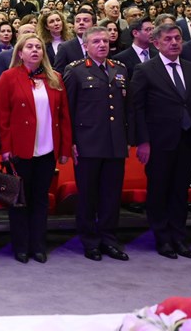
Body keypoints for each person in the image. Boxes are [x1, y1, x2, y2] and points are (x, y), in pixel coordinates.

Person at [131, 22, 191, 260]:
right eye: (168, 39)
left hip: (188, 140)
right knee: (159, 190)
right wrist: (142, 142)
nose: (175, 42)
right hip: (158, 142)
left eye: (177, 38)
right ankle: (162, 238)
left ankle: (178, 237)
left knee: (180, 191)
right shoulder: (145, 70)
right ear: (156, 43)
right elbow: (137, 109)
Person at [0, 33, 72, 264]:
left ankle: (38, 245)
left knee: (40, 199)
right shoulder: (8, 77)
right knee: (20, 200)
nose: (35, 50)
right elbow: (2, 117)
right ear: (20, 53)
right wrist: (5, 148)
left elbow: (64, 116)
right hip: (20, 150)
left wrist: (65, 149)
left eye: (39, 47)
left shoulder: (55, 78)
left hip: (47, 150)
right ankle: (21, 246)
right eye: (29, 47)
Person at [62, 26, 132, 262]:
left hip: (115, 143)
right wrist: (71, 141)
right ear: (86, 46)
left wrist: (128, 138)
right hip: (88, 143)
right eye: (96, 41)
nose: (102, 45)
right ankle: (90, 241)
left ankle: (109, 240)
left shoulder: (120, 69)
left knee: (111, 196)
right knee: (88, 195)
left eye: (105, 41)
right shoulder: (75, 71)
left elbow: (126, 108)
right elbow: (68, 110)